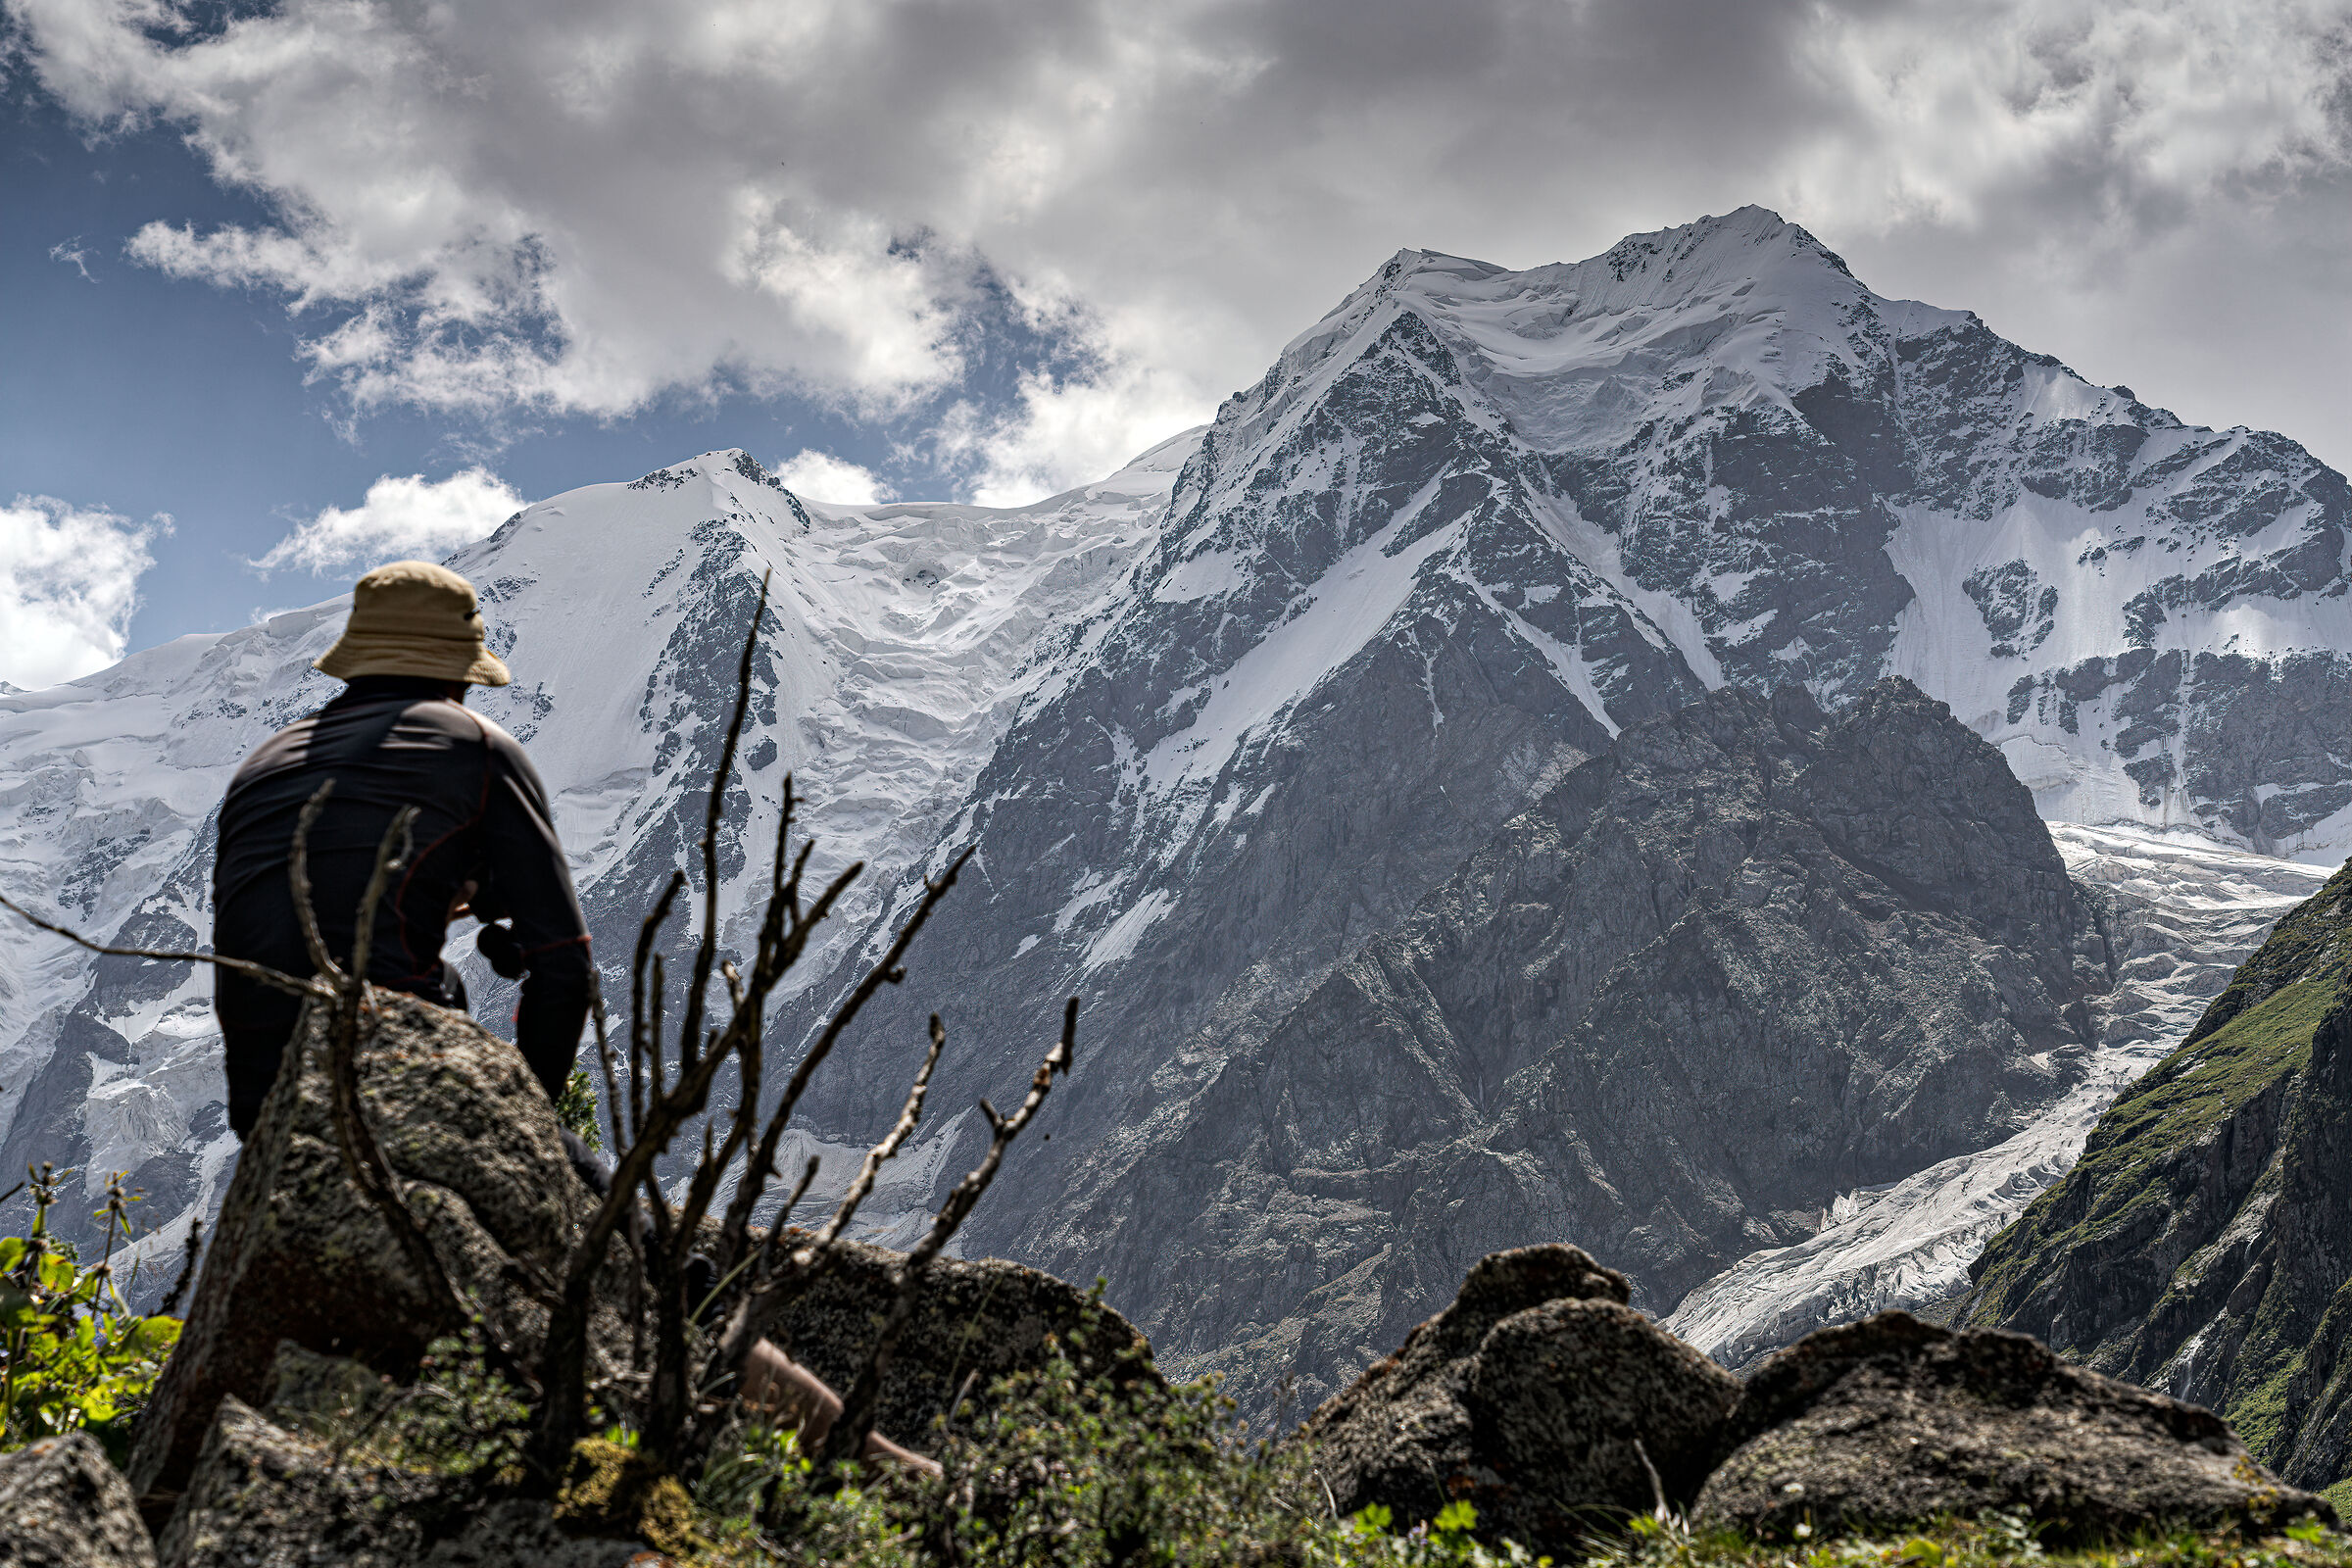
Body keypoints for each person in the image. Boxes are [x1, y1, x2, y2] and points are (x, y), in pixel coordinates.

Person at [210, 560, 593, 1139]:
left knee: (443, 977)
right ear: (455, 675)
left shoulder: (261, 766)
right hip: (393, 1087)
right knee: (613, 1213)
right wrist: (531, 1130)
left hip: (262, 1104)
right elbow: (565, 964)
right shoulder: (478, 750)